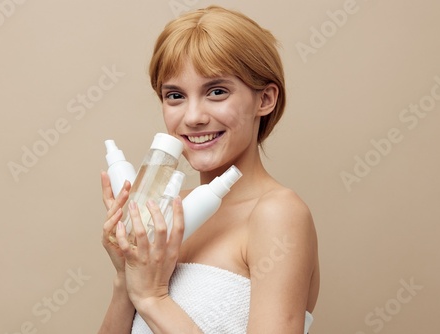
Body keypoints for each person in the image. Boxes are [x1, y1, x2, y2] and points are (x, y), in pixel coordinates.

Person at [98, 5, 319, 334]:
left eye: (217, 92)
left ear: (265, 99)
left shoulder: (277, 214)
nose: (193, 117)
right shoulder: (164, 215)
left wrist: (152, 298)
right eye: (175, 95)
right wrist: (124, 279)